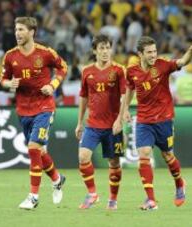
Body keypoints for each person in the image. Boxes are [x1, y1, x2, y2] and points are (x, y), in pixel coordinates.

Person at [120, 36, 192, 210]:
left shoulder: (163, 65)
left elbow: (183, 61)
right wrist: (125, 108)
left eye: (154, 51)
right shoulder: (132, 71)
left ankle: (179, 183)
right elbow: (129, 89)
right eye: (149, 52)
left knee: (167, 156)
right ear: (140, 53)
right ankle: (150, 200)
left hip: (164, 119)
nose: (153, 55)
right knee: (144, 154)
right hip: (143, 120)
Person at [0, 17, 67, 210]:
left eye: (21, 29)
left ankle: (33, 197)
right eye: (16, 29)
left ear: (32, 32)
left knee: (33, 147)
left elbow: (63, 67)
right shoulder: (10, 56)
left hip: (44, 108)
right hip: (23, 110)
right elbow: (3, 78)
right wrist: (8, 84)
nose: (17, 33)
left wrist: (53, 84)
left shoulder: (45, 53)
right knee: (41, 151)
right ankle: (57, 179)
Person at [75, 35, 125, 210]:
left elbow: (125, 95)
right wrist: (79, 122)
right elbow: (83, 97)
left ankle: (113, 199)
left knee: (114, 164)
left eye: (107, 48)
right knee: (83, 157)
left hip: (113, 126)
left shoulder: (119, 70)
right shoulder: (87, 71)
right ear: (94, 50)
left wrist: (120, 118)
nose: (105, 52)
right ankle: (92, 193)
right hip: (93, 124)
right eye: (101, 48)